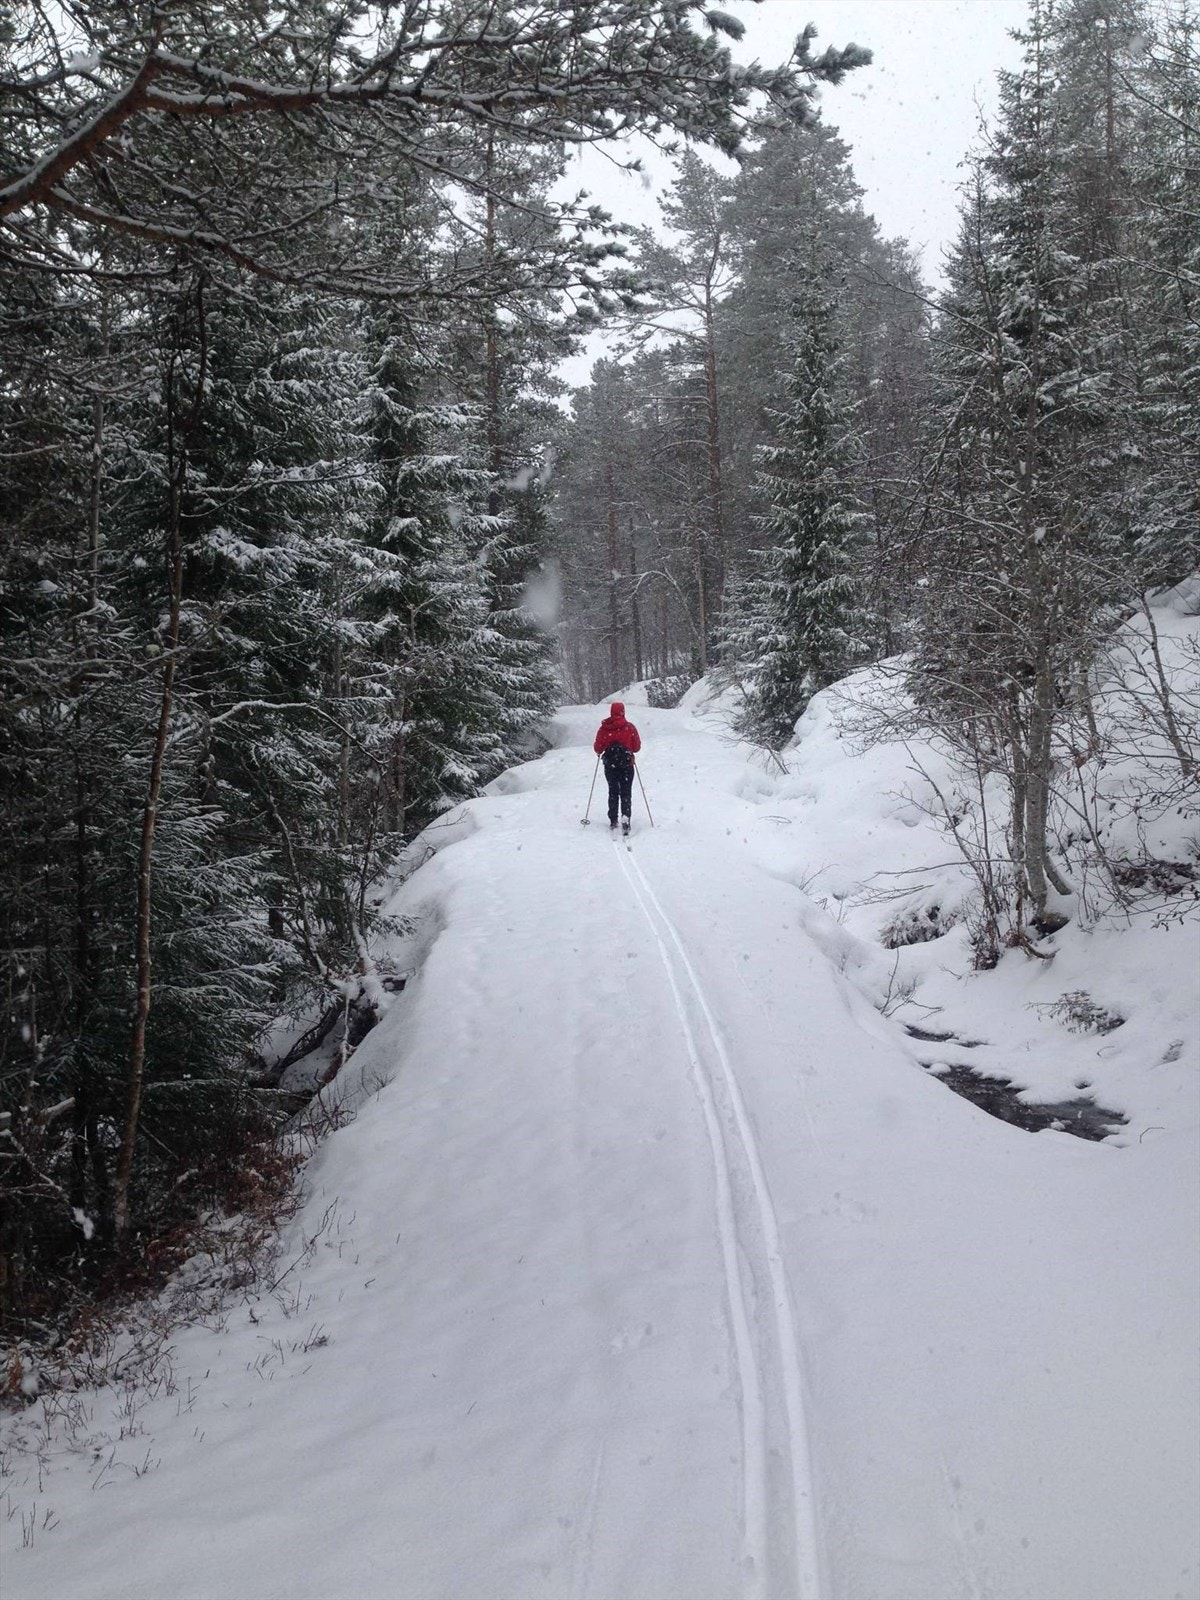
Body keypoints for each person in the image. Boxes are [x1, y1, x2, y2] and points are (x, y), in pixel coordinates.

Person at [593, 701, 641, 834]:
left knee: (613, 792)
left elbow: (598, 748)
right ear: (623, 712)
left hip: (610, 766)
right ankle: (626, 818)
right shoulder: (629, 728)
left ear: (611, 712)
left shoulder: (604, 729)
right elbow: (636, 747)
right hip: (627, 766)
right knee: (626, 793)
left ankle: (613, 819)